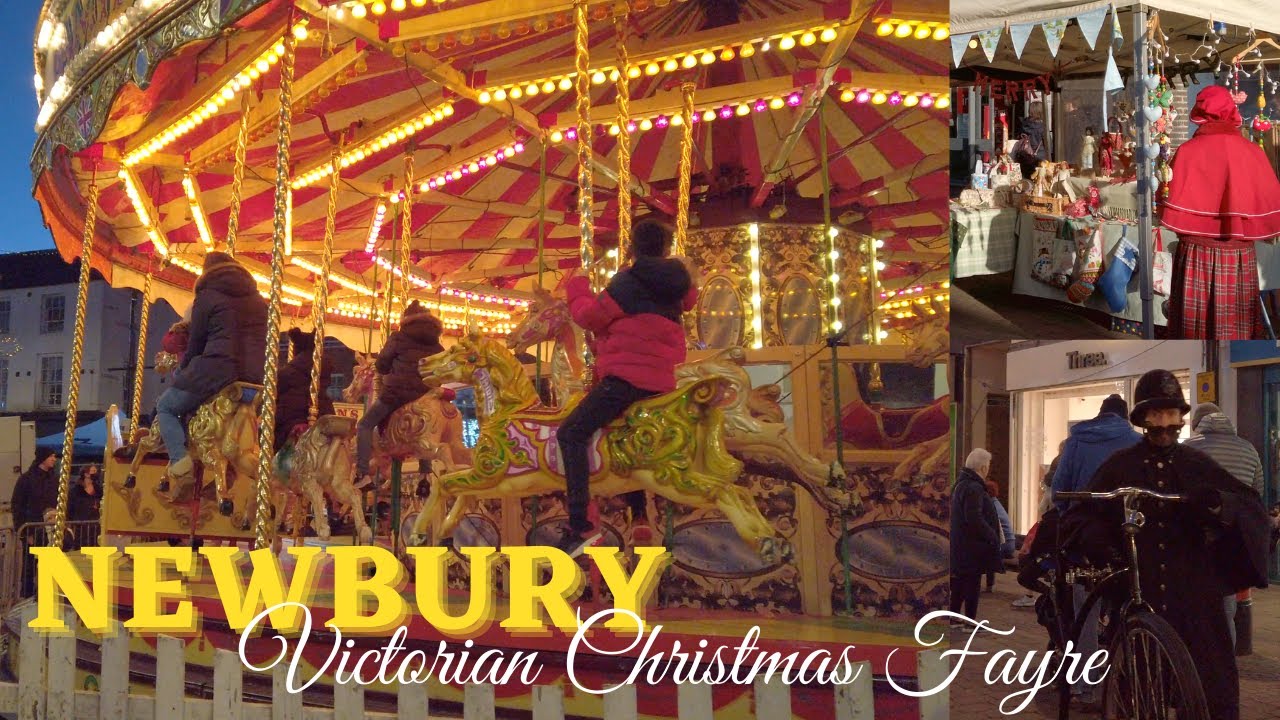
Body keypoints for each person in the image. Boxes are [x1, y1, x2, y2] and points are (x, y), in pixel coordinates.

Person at [1063, 370, 1270, 720]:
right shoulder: (1120, 465)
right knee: (1137, 684)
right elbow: (1084, 513)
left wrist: (1218, 505)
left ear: (1180, 418)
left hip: (1194, 592)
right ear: (1142, 418)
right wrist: (1102, 545)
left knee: (1209, 681)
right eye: (1155, 414)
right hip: (1139, 589)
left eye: (1170, 414)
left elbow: (1248, 504)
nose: (1163, 422)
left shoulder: (1196, 463)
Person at [556, 220, 697, 557]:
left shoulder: (628, 282)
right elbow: (690, 301)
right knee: (622, 435)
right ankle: (639, 513)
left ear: (633, 246)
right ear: (665, 247)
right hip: (663, 380)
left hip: (626, 378)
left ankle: (581, 525)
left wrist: (577, 287)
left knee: (571, 433)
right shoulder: (678, 283)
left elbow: (589, 317)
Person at [1162, 85, 1280, 339]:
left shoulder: (1186, 152)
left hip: (1195, 254)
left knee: (1192, 333)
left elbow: (1165, 199)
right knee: (1235, 333)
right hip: (1238, 255)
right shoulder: (1252, 152)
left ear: (1199, 113)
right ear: (1232, 112)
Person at [1051, 393, 1140, 709]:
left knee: (1084, 612)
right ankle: (1125, 683)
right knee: (1125, 610)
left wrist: (1069, 514)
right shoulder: (1135, 441)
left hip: (1085, 541)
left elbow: (1058, 490)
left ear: (1099, 414)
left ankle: (1086, 689)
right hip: (1122, 542)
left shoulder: (1076, 441)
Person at [155, 251, 267, 498]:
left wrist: (184, 370)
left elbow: (196, 341)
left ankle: (181, 464)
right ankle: (228, 472)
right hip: (253, 378)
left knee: (166, 406)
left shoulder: (207, 296)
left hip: (217, 370)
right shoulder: (260, 301)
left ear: (207, 272)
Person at [1185, 402, 1265, 651]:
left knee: (1194, 601)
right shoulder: (1248, 449)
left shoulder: (1189, 449)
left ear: (1197, 424)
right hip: (1233, 534)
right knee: (1227, 602)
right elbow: (1257, 493)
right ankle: (1226, 659)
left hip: (1197, 535)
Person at [355, 301, 445, 484]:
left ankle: (362, 472)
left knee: (364, 425)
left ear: (405, 320)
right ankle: (425, 473)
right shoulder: (437, 345)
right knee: (424, 423)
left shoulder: (399, 337)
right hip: (425, 395)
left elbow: (382, 365)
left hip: (396, 394)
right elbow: (440, 372)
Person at [950, 448, 1003, 629]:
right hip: (972, 545)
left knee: (959, 582)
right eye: (987, 466)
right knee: (972, 584)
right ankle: (970, 622)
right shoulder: (974, 487)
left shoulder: (961, 484)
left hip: (961, 543)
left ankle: (953, 617)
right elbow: (974, 518)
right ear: (982, 467)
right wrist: (992, 535)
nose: (988, 469)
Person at [274, 328, 336, 452]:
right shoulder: (323, 370)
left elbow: (276, 395)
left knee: (268, 430)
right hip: (322, 415)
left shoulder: (287, 372)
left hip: (291, 418)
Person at [12, 448, 59, 597]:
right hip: (33, 528)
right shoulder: (27, 479)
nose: (53, 459)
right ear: (43, 458)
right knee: (30, 564)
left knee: (49, 563)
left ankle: (45, 593)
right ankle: (27, 594)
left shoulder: (54, 479)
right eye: (51, 456)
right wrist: (24, 531)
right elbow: (17, 505)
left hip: (50, 528)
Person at [984, 480, 1015, 592]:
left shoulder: (991, 506)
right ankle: (989, 585)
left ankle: (987, 585)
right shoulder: (996, 503)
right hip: (1009, 542)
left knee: (982, 552)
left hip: (1004, 544)